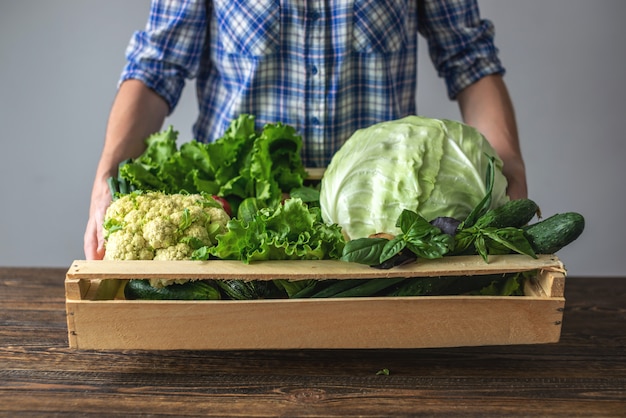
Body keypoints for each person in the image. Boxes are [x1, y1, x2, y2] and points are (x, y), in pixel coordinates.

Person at [84, 0, 527, 260]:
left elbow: (470, 59)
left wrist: (508, 171)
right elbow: (157, 66)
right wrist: (107, 175)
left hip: (383, 230)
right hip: (236, 222)